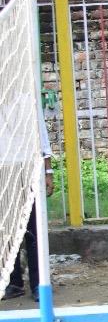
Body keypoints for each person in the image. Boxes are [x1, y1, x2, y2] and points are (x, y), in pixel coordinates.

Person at [3, 104, 52, 302]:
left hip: (28, 166)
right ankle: (13, 283)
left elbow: (42, 135)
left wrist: (48, 171)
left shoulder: (27, 95)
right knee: (7, 230)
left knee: (33, 229)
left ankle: (39, 284)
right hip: (4, 168)